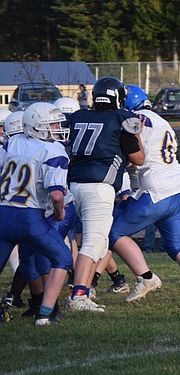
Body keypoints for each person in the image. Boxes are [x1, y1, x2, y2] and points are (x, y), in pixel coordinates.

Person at [108, 86, 180, 303]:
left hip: (156, 191)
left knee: (113, 233)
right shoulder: (162, 121)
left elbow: (134, 153)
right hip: (178, 189)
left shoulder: (137, 118)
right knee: (178, 245)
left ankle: (146, 277)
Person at [63, 77, 146, 313]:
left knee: (95, 243)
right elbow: (139, 158)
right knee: (94, 242)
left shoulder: (79, 116)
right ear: (118, 97)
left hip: (75, 184)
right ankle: (78, 294)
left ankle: (84, 292)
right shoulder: (121, 118)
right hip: (98, 187)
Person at [0, 102, 73, 326]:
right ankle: (44, 314)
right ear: (35, 126)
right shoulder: (52, 150)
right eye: (51, 124)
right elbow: (57, 196)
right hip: (30, 218)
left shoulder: (13, 142)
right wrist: (60, 214)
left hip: (3, 214)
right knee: (63, 258)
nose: (57, 127)